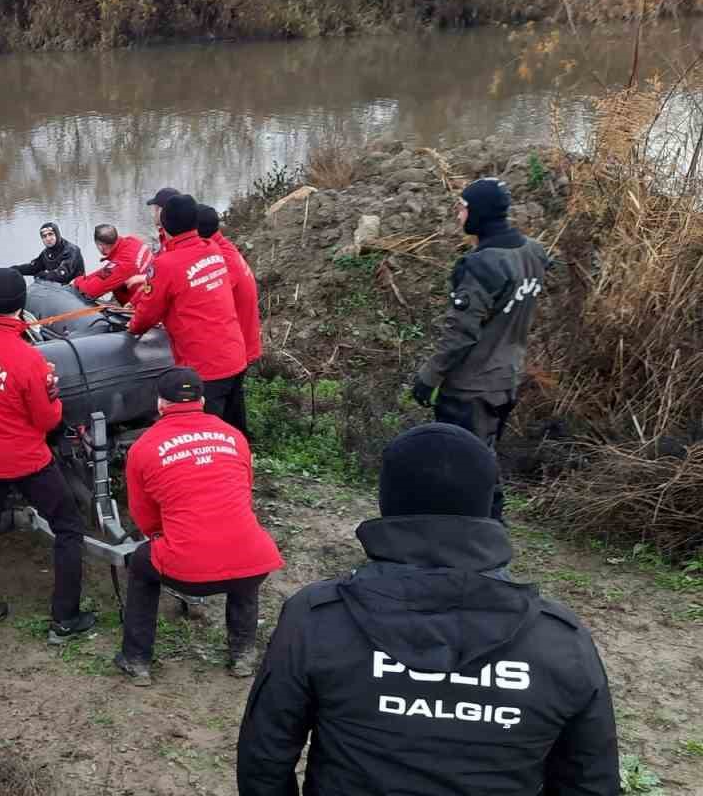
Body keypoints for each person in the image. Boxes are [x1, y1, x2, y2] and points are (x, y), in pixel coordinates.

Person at [236, 424, 620, 796]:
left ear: (387, 501)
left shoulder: (317, 618)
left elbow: (264, 759)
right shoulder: (561, 641)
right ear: (487, 504)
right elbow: (590, 782)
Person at [0, 268, 94, 642]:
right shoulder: (28, 358)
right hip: (26, 460)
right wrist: (54, 394)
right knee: (68, 526)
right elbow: (47, 419)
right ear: (20, 306)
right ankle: (65, 618)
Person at [113, 368, 283, 686]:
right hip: (254, 561)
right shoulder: (233, 436)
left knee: (140, 562)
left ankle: (137, 660)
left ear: (160, 404)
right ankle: (242, 654)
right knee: (242, 552)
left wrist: (169, 538)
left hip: (187, 570)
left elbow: (144, 517)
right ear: (203, 401)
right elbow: (244, 492)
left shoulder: (144, 448)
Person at [411, 178, 549, 521]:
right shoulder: (533, 252)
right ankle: (490, 525)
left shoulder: (482, 265)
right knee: (483, 456)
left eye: (463, 207)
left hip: (471, 387)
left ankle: (477, 536)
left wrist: (429, 377)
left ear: (479, 214)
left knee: (464, 465)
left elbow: (460, 332)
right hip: (507, 378)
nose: (458, 215)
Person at [128, 195, 248, 425]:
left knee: (209, 431)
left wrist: (132, 326)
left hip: (204, 366)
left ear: (165, 225)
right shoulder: (212, 248)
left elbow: (148, 314)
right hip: (234, 354)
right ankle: (244, 456)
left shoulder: (166, 264)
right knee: (235, 424)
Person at [197, 204, 261, 436]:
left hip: (233, 345)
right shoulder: (223, 249)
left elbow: (205, 301)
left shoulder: (219, 259)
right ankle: (241, 442)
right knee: (234, 401)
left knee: (216, 405)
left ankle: (221, 449)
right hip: (240, 341)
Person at [72, 224, 151, 306]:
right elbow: (104, 272)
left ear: (100, 246)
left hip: (141, 305)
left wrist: (77, 282)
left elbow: (90, 291)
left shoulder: (122, 264)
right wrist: (85, 279)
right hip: (149, 290)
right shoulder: (132, 241)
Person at [14, 222, 85, 285]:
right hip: (57, 289)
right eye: (44, 236)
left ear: (57, 235)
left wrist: (44, 275)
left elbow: (63, 274)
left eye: (50, 234)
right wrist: (13, 270)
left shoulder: (71, 250)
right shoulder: (46, 252)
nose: (48, 239)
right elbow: (34, 267)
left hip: (76, 291)